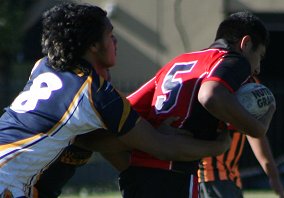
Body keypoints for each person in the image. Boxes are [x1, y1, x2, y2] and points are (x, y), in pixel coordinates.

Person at [34, 10, 275, 198]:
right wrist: (258, 125)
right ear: (245, 44)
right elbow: (211, 96)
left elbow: (124, 112)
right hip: (174, 173)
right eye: (259, 57)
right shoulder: (233, 61)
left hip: (137, 175)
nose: (258, 68)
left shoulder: (179, 61)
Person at [0, 3, 232, 197]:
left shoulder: (43, 66)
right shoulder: (95, 93)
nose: (115, 42)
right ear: (93, 45)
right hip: (7, 181)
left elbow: (91, 140)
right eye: (110, 35)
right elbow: (163, 147)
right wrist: (219, 146)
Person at [198, 77, 284, 198]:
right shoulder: (227, 81)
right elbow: (254, 133)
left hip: (228, 177)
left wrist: (273, 175)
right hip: (212, 175)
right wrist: (273, 175)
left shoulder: (247, 80)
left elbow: (255, 133)